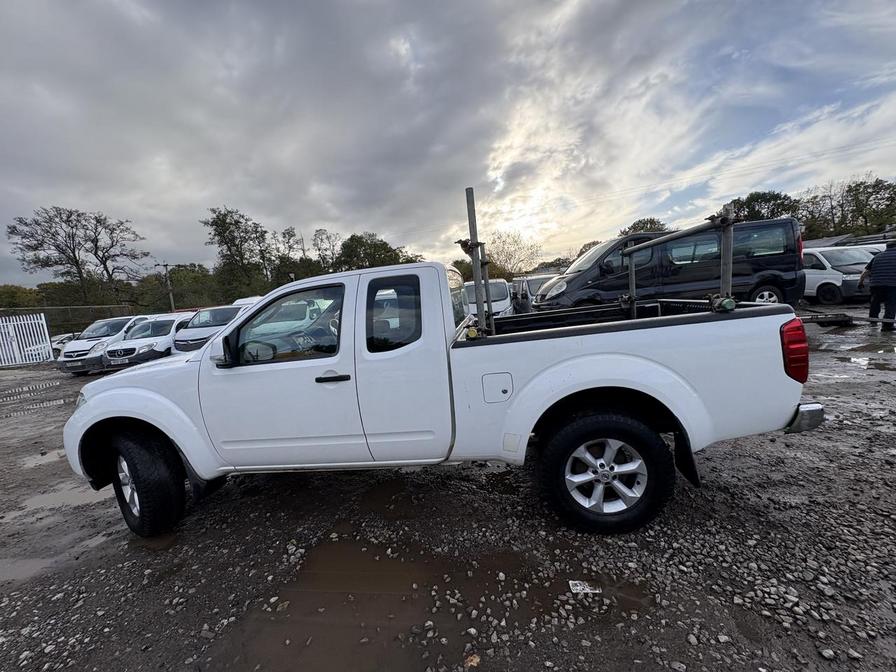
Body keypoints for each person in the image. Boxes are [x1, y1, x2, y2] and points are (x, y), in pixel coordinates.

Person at [859, 241, 896, 332]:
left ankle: (873, 321)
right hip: (892, 285)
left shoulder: (877, 256)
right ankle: (887, 325)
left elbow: (866, 271)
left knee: (875, 302)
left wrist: (860, 282)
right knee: (890, 304)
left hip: (876, 285)